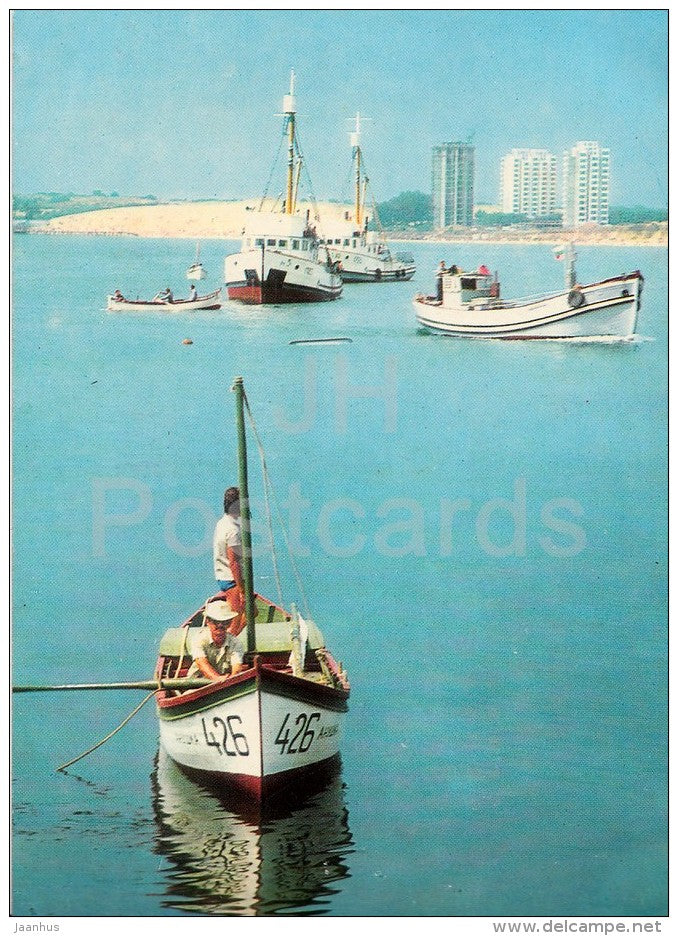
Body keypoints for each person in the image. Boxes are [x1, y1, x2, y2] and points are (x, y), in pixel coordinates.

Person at [213, 486, 247, 636]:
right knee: (237, 619)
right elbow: (234, 563)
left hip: (223, 575)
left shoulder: (222, 522)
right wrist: (241, 590)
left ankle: (230, 642)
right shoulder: (233, 530)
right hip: (230, 578)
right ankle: (227, 646)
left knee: (251, 613)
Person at [187, 600, 246, 680]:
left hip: (224, 685)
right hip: (197, 684)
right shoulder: (199, 639)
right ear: (207, 621)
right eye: (216, 622)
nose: (220, 626)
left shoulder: (236, 643)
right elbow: (201, 663)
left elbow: (237, 668)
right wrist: (217, 679)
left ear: (230, 623)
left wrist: (229, 683)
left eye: (225, 622)